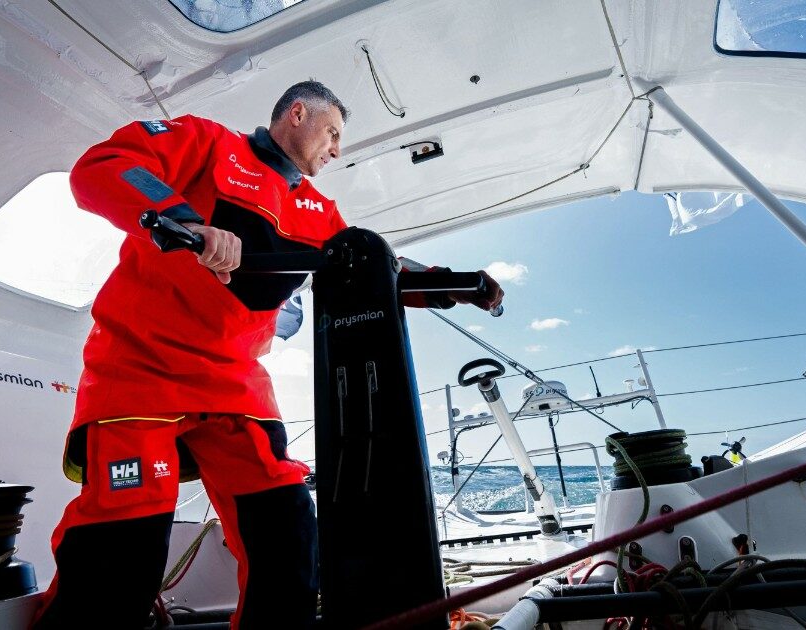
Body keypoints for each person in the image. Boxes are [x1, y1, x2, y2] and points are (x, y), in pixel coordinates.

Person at [32, 81, 503, 629]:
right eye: (332, 133)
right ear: (297, 114)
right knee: (125, 538)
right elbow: (106, 165)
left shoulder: (317, 210)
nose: (336, 149)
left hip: (235, 388)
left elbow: (370, 267)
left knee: (287, 530)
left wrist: (453, 285)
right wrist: (184, 220)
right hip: (140, 367)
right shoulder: (208, 144)